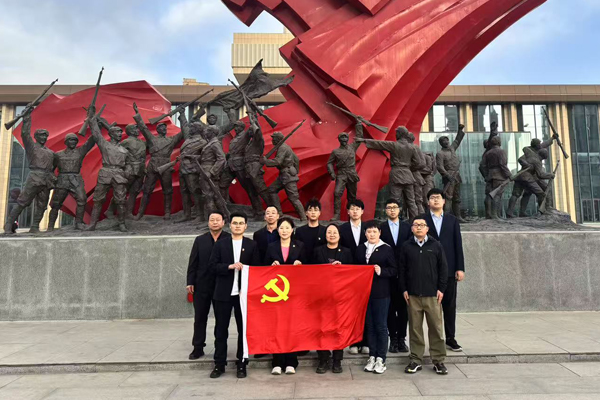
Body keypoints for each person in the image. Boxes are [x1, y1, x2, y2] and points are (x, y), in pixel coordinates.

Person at [209, 212, 260, 379]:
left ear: (246, 226)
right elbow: (212, 266)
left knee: (243, 330)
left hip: (243, 295)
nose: (238, 226)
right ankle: (219, 364)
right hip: (223, 293)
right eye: (235, 223)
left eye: (241, 223)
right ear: (229, 225)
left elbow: (257, 269)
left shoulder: (251, 245)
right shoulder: (221, 244)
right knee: (220, 330)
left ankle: (242, 362)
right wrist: (229, 267)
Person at [399, 217, 448, 375]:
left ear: (427, 228)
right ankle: (415, 359)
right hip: (412, 295)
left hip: (432, 295)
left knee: (436, 328)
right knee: (415, 329)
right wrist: (404, 289)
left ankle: (438, 360)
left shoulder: (436, 245)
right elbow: (402, 269)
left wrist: (441, 289)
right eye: (416, 225)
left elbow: (443, 269)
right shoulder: (406, 246)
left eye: (422, 225)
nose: (419, 227)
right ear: (412, 228)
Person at [421, 188, 465, 352]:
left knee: (449, 306)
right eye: (432, 198)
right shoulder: (422, 220)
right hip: (428, 270)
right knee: (431, 308)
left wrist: (460, 268)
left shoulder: (452, 220)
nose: (436, 200)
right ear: (428, 202)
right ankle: (435, 340)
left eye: (438, 198)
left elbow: (458, 245)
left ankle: (450, 338)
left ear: (444, 201)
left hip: (449, 270)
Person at [264, 217, 306, 375]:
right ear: (277, 230)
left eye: (287, 227)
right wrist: (271, 265)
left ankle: (291, 362)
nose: (284, 230)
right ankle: (277, 362)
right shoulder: (271, 246)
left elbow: (309, 267)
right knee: (277, 326)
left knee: (292, 327)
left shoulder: (300, 246)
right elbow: (263, 267)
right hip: (277, 294)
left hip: (294, 293)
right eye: (281, 228)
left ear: (292, 230)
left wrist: (301, 265)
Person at [355, 220, 398, 374]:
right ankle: (372, 356)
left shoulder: (386, 249)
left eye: (374, 231)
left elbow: (394, 270)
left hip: (381, 293)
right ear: (365, 233)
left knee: (380, 326)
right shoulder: (361, 248)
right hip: (364, 293)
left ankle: (381, 358)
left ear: (379, 233)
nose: (371, 234)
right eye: (369, 231)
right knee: (370, 326)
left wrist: (381, 271)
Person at [186, 211, 230, 360]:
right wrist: (190, 281)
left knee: (221, 319)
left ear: (223, 222)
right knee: (200, 318)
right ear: (208, 222)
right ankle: (198, 347)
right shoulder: (200, 240)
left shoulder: (228, 239)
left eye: (218, 220)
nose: (215, 222)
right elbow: (193, 262)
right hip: (202, 285)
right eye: (212, 220)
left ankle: (220, 349)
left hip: (222, 284)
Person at [4, 108, 55, 234]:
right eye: (41, 135)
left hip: (46, 179)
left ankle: (35, 226)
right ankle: (8, 225)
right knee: (22, 202)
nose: (43, 137)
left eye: (45, 135)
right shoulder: (31, 147)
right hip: (34, 177)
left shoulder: (51, 153)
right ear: (36, 137)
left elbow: (53, 166)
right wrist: (27, 117)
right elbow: (25, 134)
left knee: (42, 205)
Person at [357, 126, 424, 220]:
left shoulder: (394, 145)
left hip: (396, 174)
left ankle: (393, 222)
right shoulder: (412, 147)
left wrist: (364, 140)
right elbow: (418, 163)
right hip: (408, 176)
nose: (395, 135)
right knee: (411, 201)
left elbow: (379, 144)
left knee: (394, 201)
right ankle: (416, 222)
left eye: (397, 133)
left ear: (400, 134)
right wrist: (408, 168)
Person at [133, 103, 185, 220]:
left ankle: (167, 212)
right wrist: (137, 113)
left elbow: (183, 133)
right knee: (147, 190)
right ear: (157, 130)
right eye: (161, 127)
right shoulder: (152, 139)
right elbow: (143, 128)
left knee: (168, 191)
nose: (164, 129)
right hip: (153, 165)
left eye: (165, 127)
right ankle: (140, 213)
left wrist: (182, 115)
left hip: (166, 165)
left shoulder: (171, 140)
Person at [312, 223, 353, 374]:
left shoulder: (347, 252)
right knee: (321, 329)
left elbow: (352, 273)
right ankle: (323, 359)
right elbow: (311, 272)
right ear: (325, 235)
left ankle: (337, 360)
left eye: (335, 232)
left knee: (339, 329)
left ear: (339, 235)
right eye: (329, 232)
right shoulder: (318, 251)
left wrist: (341, 268)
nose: (332, 235)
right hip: (322, 296)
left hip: (340, 297)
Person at [379, 199, 411, 354]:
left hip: (404, 273)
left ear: (399, 209)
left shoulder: (407, 227)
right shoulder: (381, 228)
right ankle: (393, 339)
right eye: (389, 207)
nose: (392, 210)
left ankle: (401, 339)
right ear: (385, 210)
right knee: (390, 308)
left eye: (395, 207)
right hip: (387, 275)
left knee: (403, 308)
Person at [47, 132, 96, 231]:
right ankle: (50, 226)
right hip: (62, 179)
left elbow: (90, 142)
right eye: (70, 140)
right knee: (56, 204)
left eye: (74, 140)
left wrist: (96, 127)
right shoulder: (58, 155)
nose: (73, 142)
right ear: (66, 142)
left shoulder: (80, 152)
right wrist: (54, 179)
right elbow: (50, 169)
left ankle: (78, 223)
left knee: (82, 199)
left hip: (76, 179)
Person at [339, 198, 367, 354]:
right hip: (348, 274)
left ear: (362, 211)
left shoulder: (369, 228)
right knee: (351, 309)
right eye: (352, 209)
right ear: (348, 212)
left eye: (358, 209)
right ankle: (353, 342)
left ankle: (366, 341)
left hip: (365, 274)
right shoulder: (342, 229)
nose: (355, 211)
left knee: (365, 308)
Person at [327, 120, 364, 221]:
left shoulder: (352, 147)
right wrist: (332, 173)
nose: (344, 139)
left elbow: (360, 137)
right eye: (342, 137)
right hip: (341, 174)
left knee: (352, 196)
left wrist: (359, 124)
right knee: (337, 193)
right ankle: (336, 215)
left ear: (348, 139)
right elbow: (329, 163)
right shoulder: (335, 152)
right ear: (339, 140)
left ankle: (352, 216)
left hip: (351, 173)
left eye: (345, 137)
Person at [436, 124, 466, 222]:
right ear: (441, 143)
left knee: (457, 197)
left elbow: (457, 140)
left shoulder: (452, 148)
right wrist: (447, 175)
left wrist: (460, 130)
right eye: (443, 141)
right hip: (448, 176)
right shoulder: (440, 154)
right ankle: (445, 218)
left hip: (456, 175)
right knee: (448, 197)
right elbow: (439, 166)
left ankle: (458, 217)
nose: (446, 142)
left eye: (447, 140)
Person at [294, 198, 326, 264]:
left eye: (316, 210)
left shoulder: (325, 231)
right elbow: (296, 250)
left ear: (319, 213)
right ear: (306, 213)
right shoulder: (299, 231)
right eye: (310, 210)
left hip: (320, 265)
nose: (313, 212)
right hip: (303, 265)